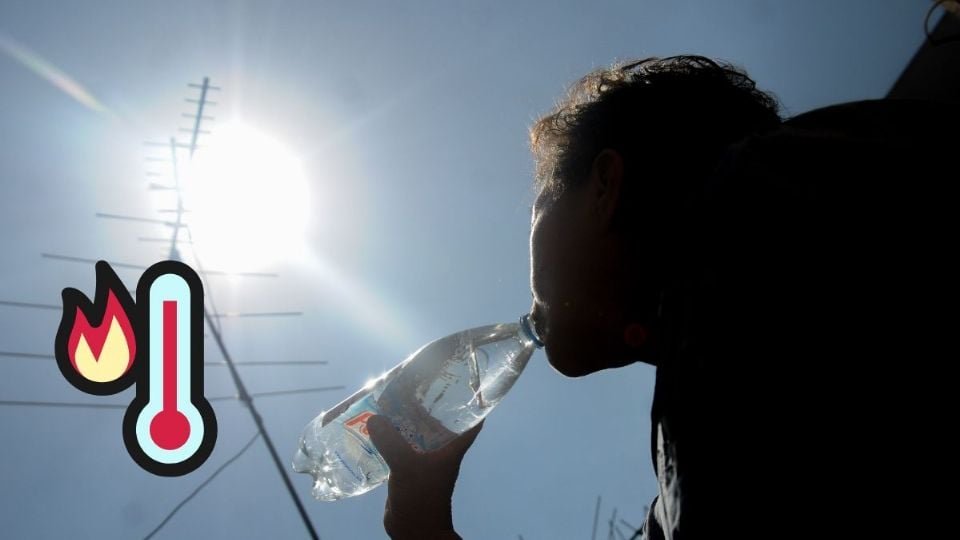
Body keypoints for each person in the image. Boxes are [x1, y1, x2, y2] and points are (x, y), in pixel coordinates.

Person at [367, 55, 958, 539]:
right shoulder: (688, 401)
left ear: (604, 185)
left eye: (541, 204)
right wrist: (420, 523)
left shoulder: (773, 194)